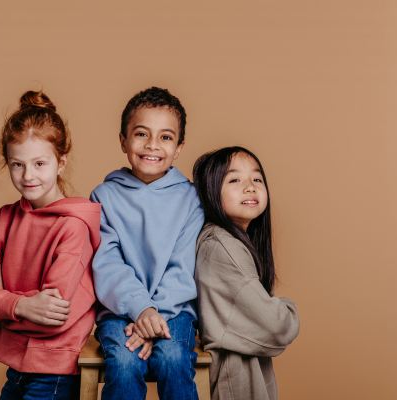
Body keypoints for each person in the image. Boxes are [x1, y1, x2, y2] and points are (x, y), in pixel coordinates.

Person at [0, 90, 101, 400]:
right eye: (17, 164)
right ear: (6, 163)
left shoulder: (73, 227)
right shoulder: (3, 220)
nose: (28, 176)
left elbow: (51, 321)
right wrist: (20, 304)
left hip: (55, 374)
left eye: (39, 163)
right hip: (15, 368)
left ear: (60, 162)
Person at [90, 87, 205, 400]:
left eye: (166, 137)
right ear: (123, 140)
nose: (153, 145)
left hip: (174, 309)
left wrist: (155, 315)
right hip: (119, 310)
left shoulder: (191, 199)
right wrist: (141, 310)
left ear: (179, 147)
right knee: (125, 364)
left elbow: (183, 268)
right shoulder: (104, 197)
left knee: (172, 358)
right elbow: (108, 263)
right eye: (141, 134)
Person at [192, 146, 300, 400]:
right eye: (234, 179)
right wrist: (286, 309)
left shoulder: (232, 243)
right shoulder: (222, 246)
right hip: (234, 379)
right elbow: (276, 326)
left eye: (257, 178)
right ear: (211, 193)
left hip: (244, 374)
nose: (250, 186)